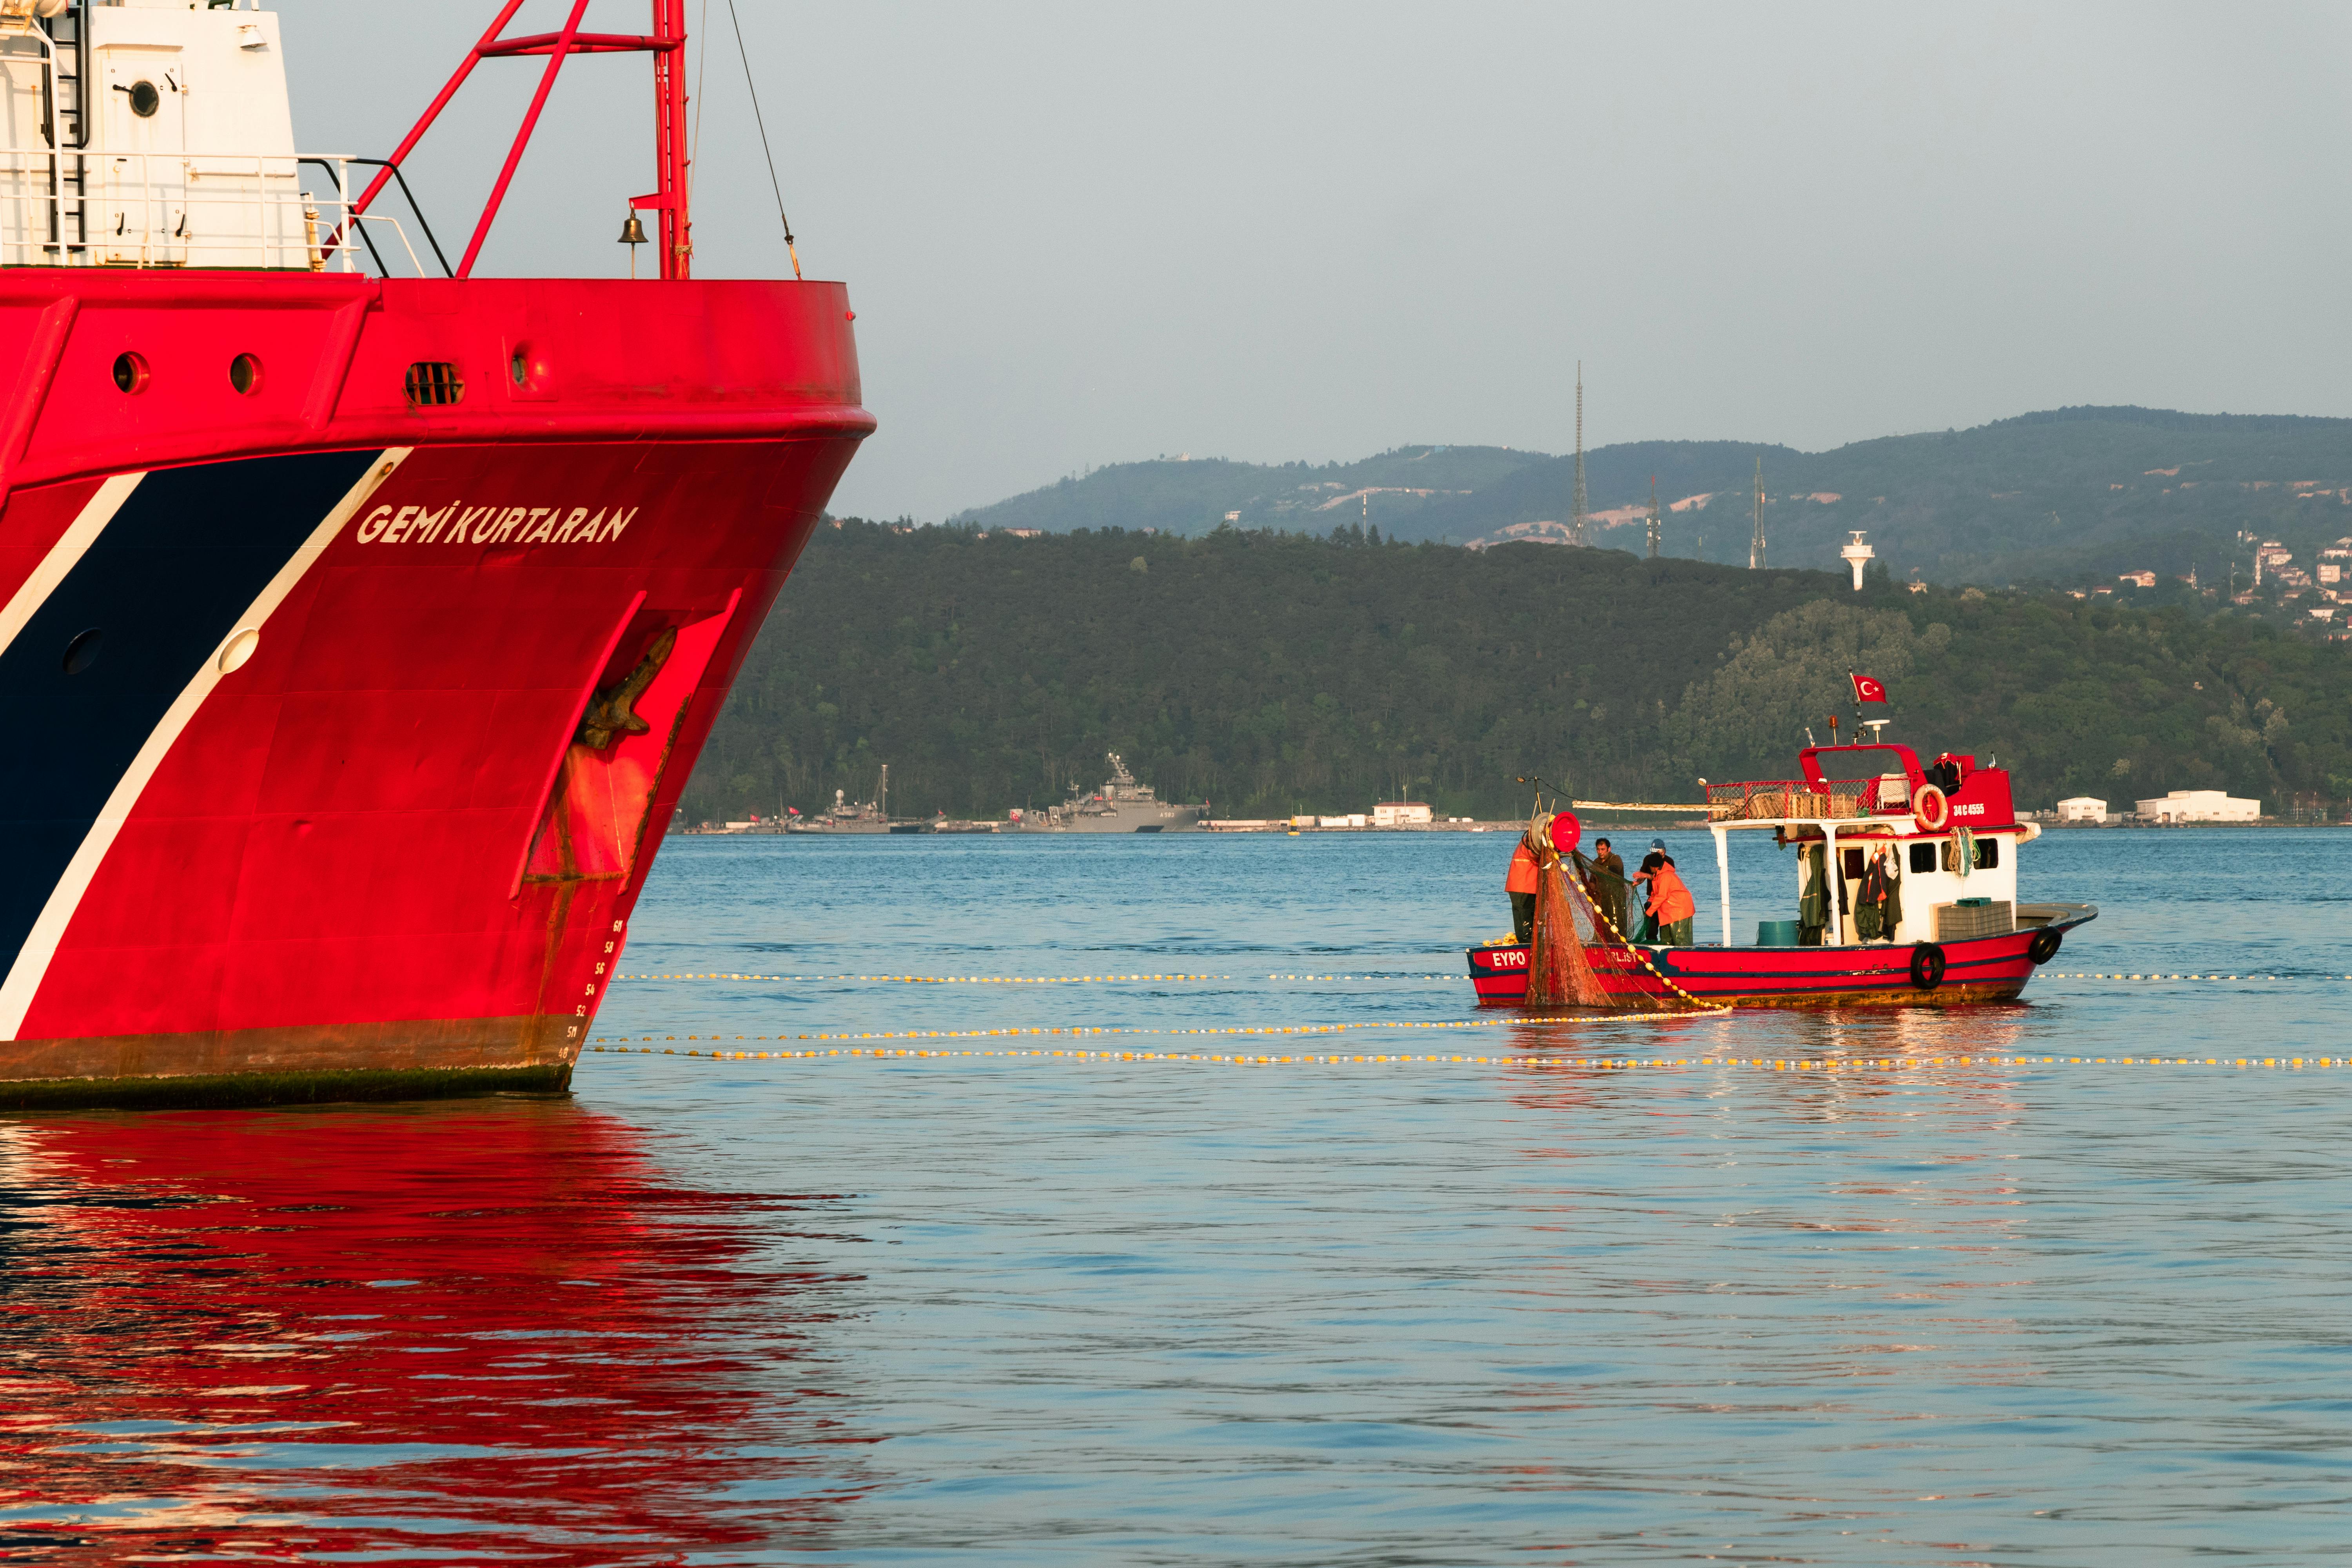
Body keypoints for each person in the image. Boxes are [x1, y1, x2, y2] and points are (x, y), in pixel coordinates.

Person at [1633, 838, 1696, 946]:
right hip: (1665, 909)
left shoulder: (1666, 875)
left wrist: (1650, 911)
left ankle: (1685, 960)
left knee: (1680, 940)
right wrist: (1639, 883)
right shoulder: (1658, 873)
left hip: (1679, 910)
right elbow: (1656, 893)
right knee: (1665, 939)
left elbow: (1662, 895)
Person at [1586, 836, 1629, 936]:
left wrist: (1600, 870)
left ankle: (1619, 942)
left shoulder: (1615, 859)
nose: (1601, 852)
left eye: (1603, 850)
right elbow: (1592, 881)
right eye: (1598, 850)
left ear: (1609, 849)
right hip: (1602, 898)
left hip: (1616, 898)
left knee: (1617, 923)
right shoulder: (1596, 862)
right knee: (1603, 923)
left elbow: (1614, 870)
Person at [1506, 833, 1540, 943]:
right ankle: (1527, 942)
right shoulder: (1529, 843)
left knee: (1523, 914)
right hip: (1523, 887)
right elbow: (1536, 853)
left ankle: (1524, 940)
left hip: (1521, 886)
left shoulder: (1526, 842)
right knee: (1525, 914)